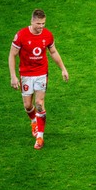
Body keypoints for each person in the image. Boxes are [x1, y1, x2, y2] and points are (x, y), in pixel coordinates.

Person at [8, 9, 69, 150]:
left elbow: (53, 52)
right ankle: (34, 121)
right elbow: (12, 55)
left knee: (39, 103)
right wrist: (13, 76)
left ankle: (40, 137)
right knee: (28, 105)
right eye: (38, 23)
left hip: (41, 73)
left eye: (43, 23)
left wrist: (63, 69)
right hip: (26, 74)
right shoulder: (21, 35)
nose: (41, 26)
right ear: (32, 21)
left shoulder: (47, 35)